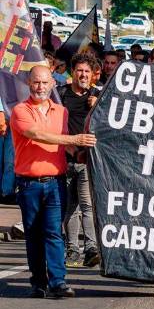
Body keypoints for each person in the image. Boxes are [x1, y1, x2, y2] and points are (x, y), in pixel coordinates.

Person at [11, 66, 97, 298]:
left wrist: (82, 153)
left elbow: (63, 144)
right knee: (34, 235)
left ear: (52, 84)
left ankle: (58, 281)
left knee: (53, 233)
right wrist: (74, 138)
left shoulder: (61, 111)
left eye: (44, 83)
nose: (40, 87)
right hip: (29, 184)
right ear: (29, 84)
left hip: (56, 182)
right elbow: (38, 135)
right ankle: (38, 282)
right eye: (36, 82)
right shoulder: (20, 110)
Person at [57, 54, 100, 269]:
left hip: (87, 160)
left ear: (93, 76)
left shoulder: (97, 96)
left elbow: (110, 124)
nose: (82, 75)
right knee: (70, 207)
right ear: (72, 72)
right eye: (79, 71)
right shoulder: (60, 94)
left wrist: (98, 106)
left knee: (87, 204)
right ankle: (72, 249)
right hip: (63, 159)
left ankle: (91, 248)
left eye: (87, 72)